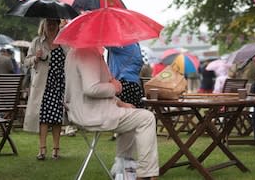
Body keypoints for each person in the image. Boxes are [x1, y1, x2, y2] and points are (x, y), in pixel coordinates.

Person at [64, 47, 159, 180]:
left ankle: (123, 169)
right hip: (92, 114)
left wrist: (121, 104)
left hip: (88, 111)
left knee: (133, 114)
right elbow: (91, 89)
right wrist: (114, 87)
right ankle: (146, 173)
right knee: (147, 118)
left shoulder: (75, 52)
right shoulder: (88, 53)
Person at [23, 18, 67, 160]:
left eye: (54, 23)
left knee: (57, 118)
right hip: (43, 86)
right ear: (44, 25)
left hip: (60, 85)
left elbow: (71, 59)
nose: (52, 26)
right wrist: (35, 58)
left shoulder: (64, 42)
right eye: (49, 23)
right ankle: (42, 150)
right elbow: (26, 62)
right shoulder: (37, 42)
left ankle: (56, 150)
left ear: (58, 25)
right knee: (43, 118)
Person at [108, 43, 145, 108]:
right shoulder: (135, 45)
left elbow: (105, 43)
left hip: (123, 85)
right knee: (134, 113)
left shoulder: (125, 45)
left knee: (122, 114)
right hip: (134, 85)